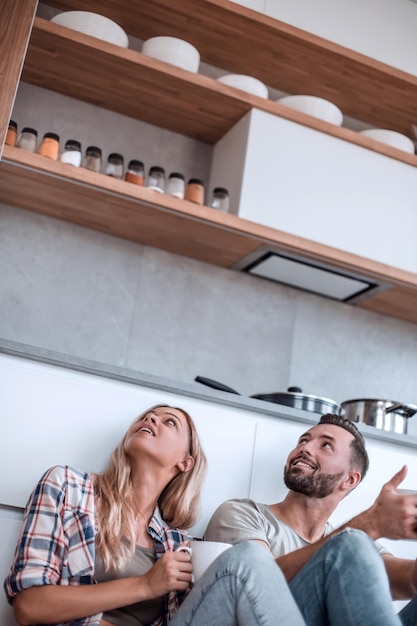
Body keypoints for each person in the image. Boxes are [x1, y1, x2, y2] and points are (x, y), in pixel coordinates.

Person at [4, 403, 306, 626]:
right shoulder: (67, 487)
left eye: (169, 422)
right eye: (147, 416)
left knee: (247, 562)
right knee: (250, 558)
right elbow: (30, 607)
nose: (150, 418)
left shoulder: (177, 544)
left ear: (184, 462)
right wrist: (146, 584)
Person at [205, 413, 417, 626]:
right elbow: (257, 587)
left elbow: (407, 578)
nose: (304, 448)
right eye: (303, 440)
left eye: (325, 445)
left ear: (349, 479)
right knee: (349, 543)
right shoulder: (242, 514)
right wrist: (370, 523)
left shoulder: (356, 547)